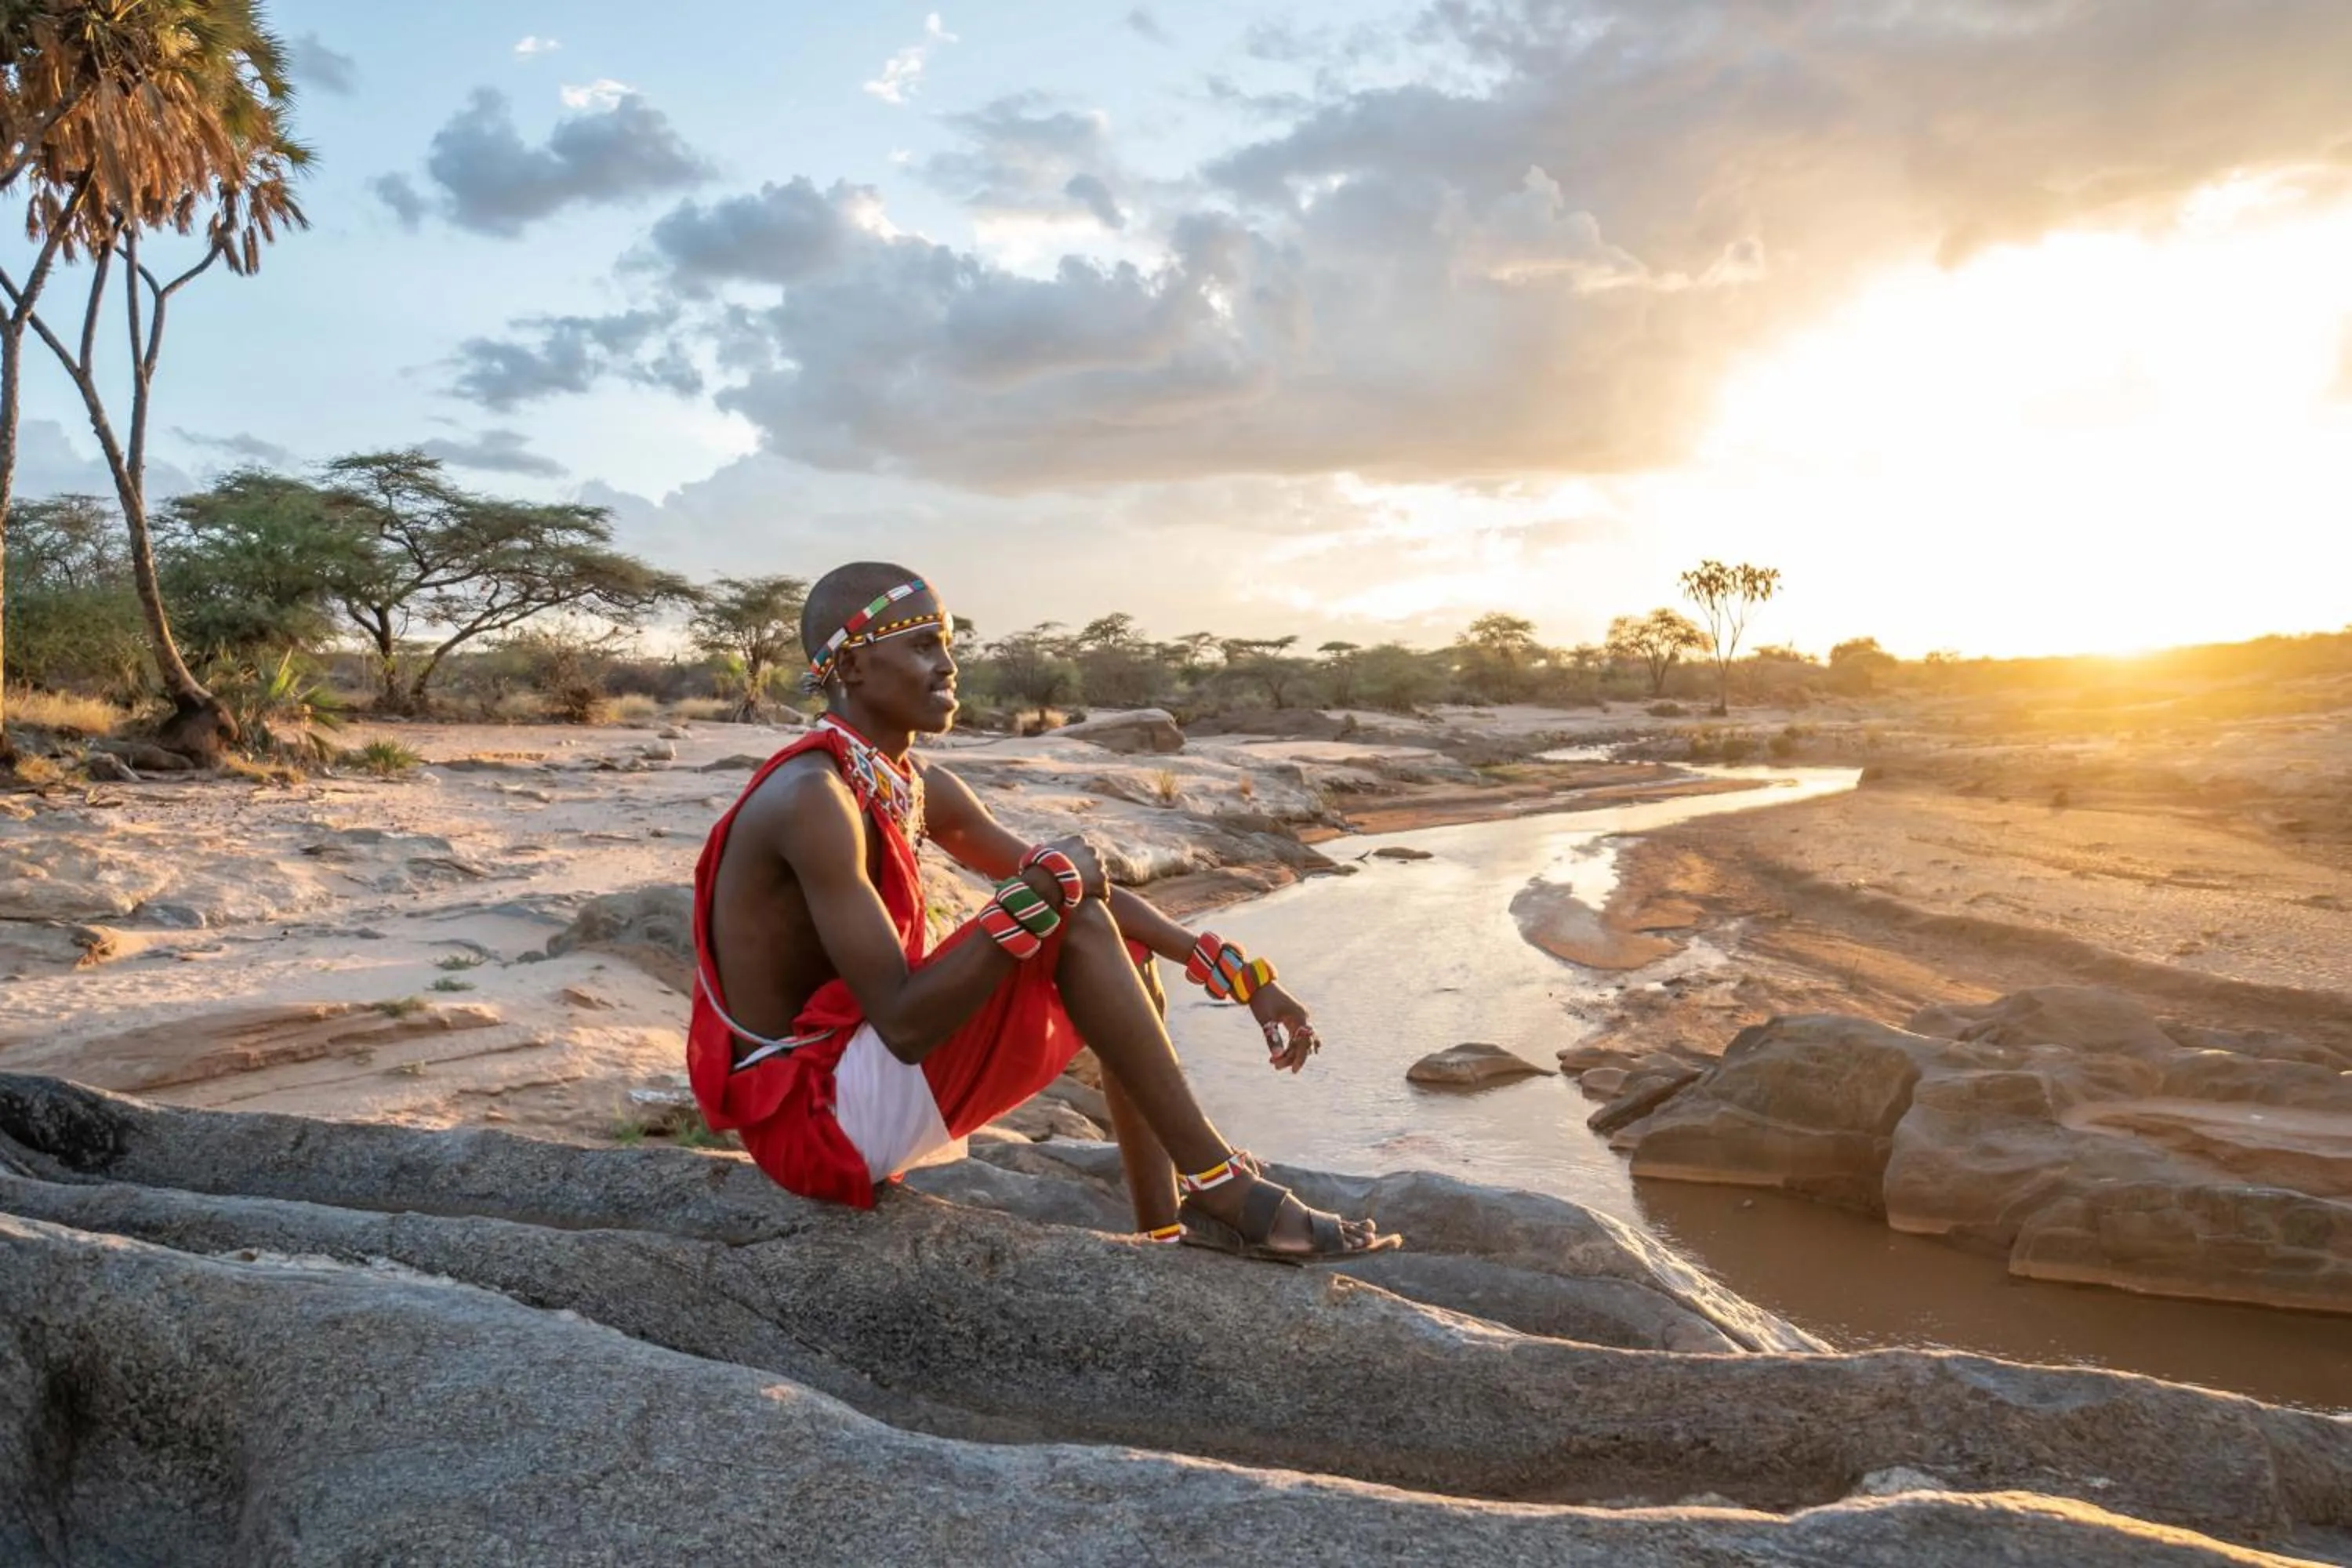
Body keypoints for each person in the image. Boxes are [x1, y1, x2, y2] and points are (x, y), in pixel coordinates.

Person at [685, 561, 1398, 1262]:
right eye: (922, 644)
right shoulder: (815, 797)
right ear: (851, 668)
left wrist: (1242, 976)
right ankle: (1224, 1190)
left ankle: (1165, 1226)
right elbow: (904, 1024)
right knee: (1073, 921)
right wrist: (1046, 890)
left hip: (861, 1084)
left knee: (1106, 934)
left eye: (949, 644)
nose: (948, 666)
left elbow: (1083, 891)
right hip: (819, 1123)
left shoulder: (910, 782)